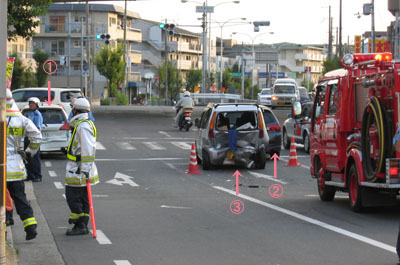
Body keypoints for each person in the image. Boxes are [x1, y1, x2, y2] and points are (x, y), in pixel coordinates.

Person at [6, 89, 41, 240]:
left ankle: (6, 220)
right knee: (20, 197)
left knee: (2, 198)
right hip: (15, 166)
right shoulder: (21, 120)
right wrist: (28, 153)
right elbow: (37, 137)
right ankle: (30, 226)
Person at [65, 97, 99, 236]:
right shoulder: (81, 124)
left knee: (73, 197)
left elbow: (88, 149)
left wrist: (84, 169)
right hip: (79, 167)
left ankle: (79, 223)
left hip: (79, 169)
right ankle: (82, 225)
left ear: (75, 110)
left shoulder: (83, 126)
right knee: (82, 198)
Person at [25, 97, 43, 182]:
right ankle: (30, 175)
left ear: (37, 105)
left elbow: (37, 128)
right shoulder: (30, 114)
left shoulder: (37, 114)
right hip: (28, 138)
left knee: (34, 157)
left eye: (33, 103)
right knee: (28, 157)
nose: (31, 105)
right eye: (30, 103)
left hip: (34, 138)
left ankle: (37, 175)